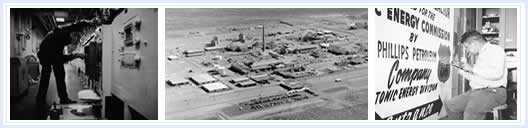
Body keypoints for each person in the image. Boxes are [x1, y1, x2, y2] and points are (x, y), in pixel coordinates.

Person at [444, 31, 508, 120]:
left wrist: (472, 69)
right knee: (451, 106)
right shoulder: (481, 55)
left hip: (495, 92)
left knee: (471, 111)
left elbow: (497, 73)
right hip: (477, 91)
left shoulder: (496, 50)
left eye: (467, 47)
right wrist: (460, 71)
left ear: (474, 43)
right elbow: (479, 78)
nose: (467, 50)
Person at [36, 19, 99, 106]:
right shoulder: (61, 36)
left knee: (60, 73)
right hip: (45, 53)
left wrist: (90, 23)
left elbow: (79, 24)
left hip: (50, 49)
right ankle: (41, 99)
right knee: (47, 75)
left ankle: (62, 98)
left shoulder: (68, 32)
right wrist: (76, 55)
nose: (76, 42)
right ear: (73, 34)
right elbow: (60, 58)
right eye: (77, 39)